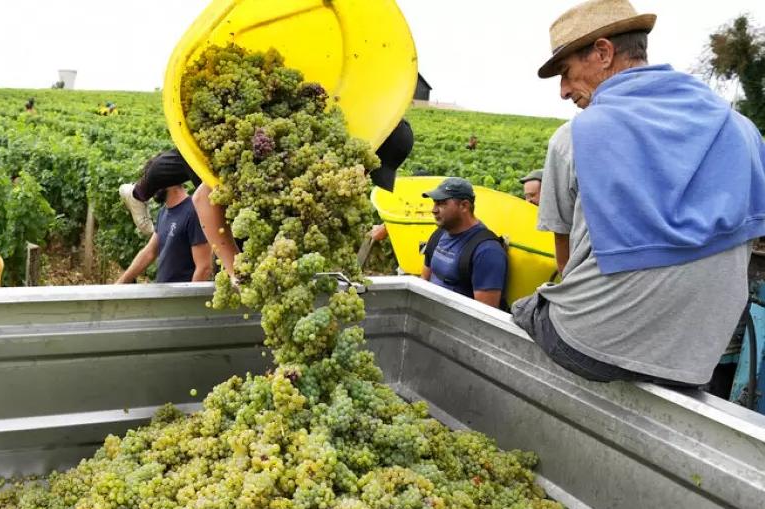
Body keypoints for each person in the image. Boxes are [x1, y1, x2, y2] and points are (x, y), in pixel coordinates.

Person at [511, 0, 765, 387]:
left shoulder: (575, 135)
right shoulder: (742, 128)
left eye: (566, 72)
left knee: (525, 308)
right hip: (696, 363)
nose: (563, 91)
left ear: (603, 52)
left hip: (586, 347)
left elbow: (564, 263)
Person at [193, 119, 416, 280]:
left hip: (284, 278)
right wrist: (236, 273)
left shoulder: (331, 176)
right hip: (244, 270)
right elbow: (204, 198)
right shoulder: (283, 151)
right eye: (367, 168)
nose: (365, 177)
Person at [116, 152, 213, 284]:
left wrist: (188, 301)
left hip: (180, 300)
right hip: (166, 299)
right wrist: (120, 283)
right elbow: (149, 252)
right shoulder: (164, 212)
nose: (151, 190)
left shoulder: (193, 211)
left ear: (169, 181)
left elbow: (204, 267)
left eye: (154, 183)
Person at [419, 177, 508, 308]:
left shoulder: (487, 251)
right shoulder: (439, 234)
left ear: (464, 206)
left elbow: (485, 314)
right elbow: (424, 282)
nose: (434, 210)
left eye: (442, 203)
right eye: (434, 203)